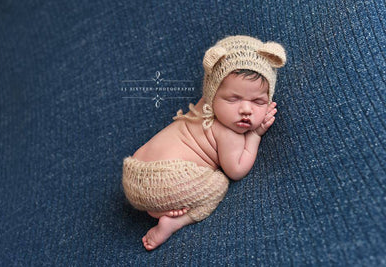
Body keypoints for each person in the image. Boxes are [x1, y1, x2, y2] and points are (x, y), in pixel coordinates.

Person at [122, 35, 286, 250]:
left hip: (134, 173)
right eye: (233, 99)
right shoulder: (229, 134)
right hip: (164, 181)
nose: (246, 110)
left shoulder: (203, 106)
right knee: (219, 184)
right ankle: (175, 221)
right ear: (212, 94)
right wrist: (255, 136)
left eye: (258, 102)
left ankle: (156, 207)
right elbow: (236, 170)